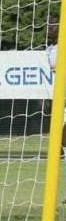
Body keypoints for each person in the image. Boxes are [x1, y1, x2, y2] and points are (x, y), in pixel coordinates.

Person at [45, 17, 66, 165]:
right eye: (47, 26)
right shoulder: (50, 49)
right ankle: (61, 149)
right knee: (60, 122)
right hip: (59, 92)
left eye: (52, 26)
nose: (48, 29)